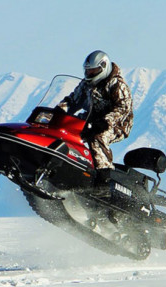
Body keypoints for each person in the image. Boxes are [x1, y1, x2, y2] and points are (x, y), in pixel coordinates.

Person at [57, 50, 133, 192]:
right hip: (92, 119)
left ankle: (104, 178)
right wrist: (60, 111)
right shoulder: (86, 84)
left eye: (93, 71)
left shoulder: (116, 84)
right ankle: (68, 167)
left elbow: (123, 108)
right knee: (67, 128)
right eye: (88, 71)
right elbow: (73, 99)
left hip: (117, 124)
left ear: (103, 67)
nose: (89, 74)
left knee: (97, 137)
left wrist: (106, 121)